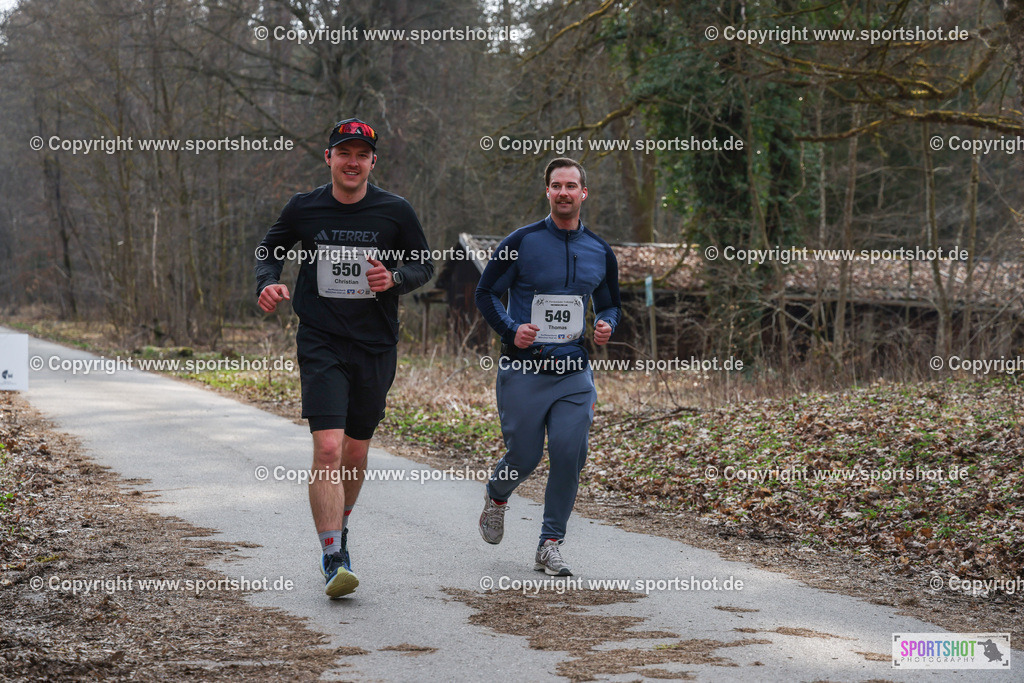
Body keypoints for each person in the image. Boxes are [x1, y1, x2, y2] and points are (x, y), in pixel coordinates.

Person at [254, 118, 433, 598]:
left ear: (373, 162)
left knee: (355, 450)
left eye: (361, 154)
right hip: (321, 340)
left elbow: (424, 265)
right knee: (329, 448)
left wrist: (395, 277)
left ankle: (342, 526)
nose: (352, 162)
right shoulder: (304, 208)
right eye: (343, 152)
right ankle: (334, 555)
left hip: (375, 344)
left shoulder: (395, 211)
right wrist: (267, 281)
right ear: (328, 158)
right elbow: (268, 250)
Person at [475, 157, 620, 576]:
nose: (563, 193)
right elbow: (486, 293)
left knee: (568, 451)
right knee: (524, 456)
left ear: (583, 193)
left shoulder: (600, 250)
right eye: (556, 186)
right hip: (524, 368)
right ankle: (497, 495)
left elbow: (610, 302)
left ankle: (549, 542)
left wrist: (608, 322)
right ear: (548, 192)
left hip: (574, 371)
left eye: (571, 186)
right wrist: (511, 327)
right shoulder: (521, 241)